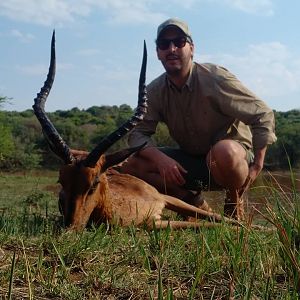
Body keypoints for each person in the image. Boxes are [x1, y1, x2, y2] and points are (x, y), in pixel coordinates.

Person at [121, 18, 277, 220]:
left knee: (224, 152)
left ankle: (233, 202)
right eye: (164, 44)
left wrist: (257, 166)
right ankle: (195, 206)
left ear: (191, 48)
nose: (172, 49)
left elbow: (263, 114)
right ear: (158, 53)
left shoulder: (215, 78)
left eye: (179, 42)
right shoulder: (154, 91)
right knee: (133, 164)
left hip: (231, 162)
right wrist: (161, 160)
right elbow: (138, 133)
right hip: (191, 160)